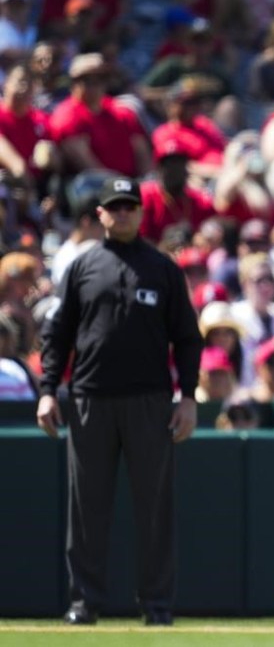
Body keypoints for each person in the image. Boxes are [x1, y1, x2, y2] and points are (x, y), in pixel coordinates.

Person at [35, 176, 203, 626]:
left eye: (130, 205)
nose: (123, 212)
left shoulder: (163, 268)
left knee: (154, 508)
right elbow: (57, 334)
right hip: (90, 398)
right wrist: (49, 391)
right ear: (101, 215)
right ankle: (83, 601)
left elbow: (187, 338)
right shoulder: (82, 266)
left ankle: (157, 604)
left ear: (140, 213)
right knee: (87, 506)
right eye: (115, 206)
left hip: (150, 400)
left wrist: (188, 397)